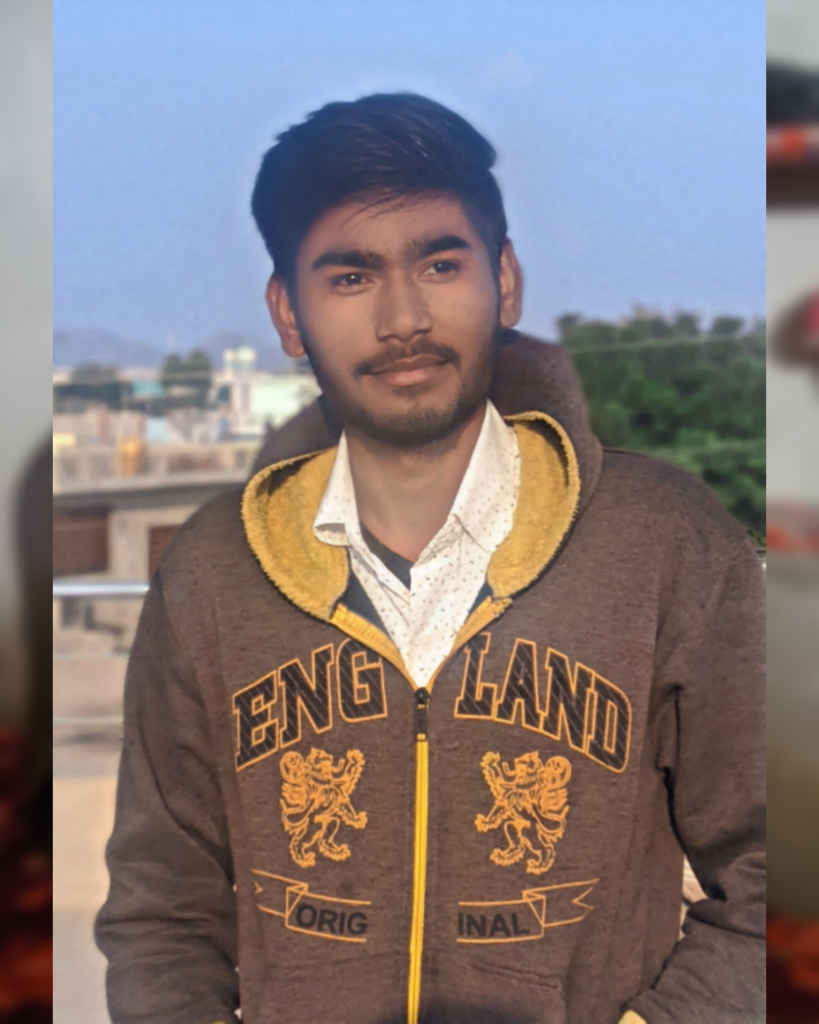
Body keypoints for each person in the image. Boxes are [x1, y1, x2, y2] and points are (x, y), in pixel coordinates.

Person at [95, 93, 765, 1024]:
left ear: (505, 281)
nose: (403, 317)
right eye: (351, 277)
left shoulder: (665, 544)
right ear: (287, 313)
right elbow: (161, 908)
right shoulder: (213, 572)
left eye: (439, 264)